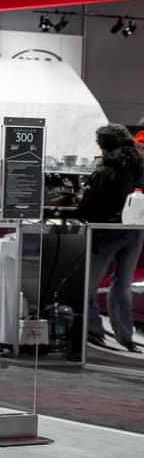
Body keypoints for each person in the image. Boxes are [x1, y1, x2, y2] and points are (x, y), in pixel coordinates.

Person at [78, 123, 144, 353]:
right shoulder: (139, 168)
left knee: (89, 285)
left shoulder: (104, 172)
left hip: (105, 232)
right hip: (134, 232)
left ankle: (94, 332)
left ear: (103, 147)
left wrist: (78, 201)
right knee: (122, 285)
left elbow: (86, 210)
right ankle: (126, 337)